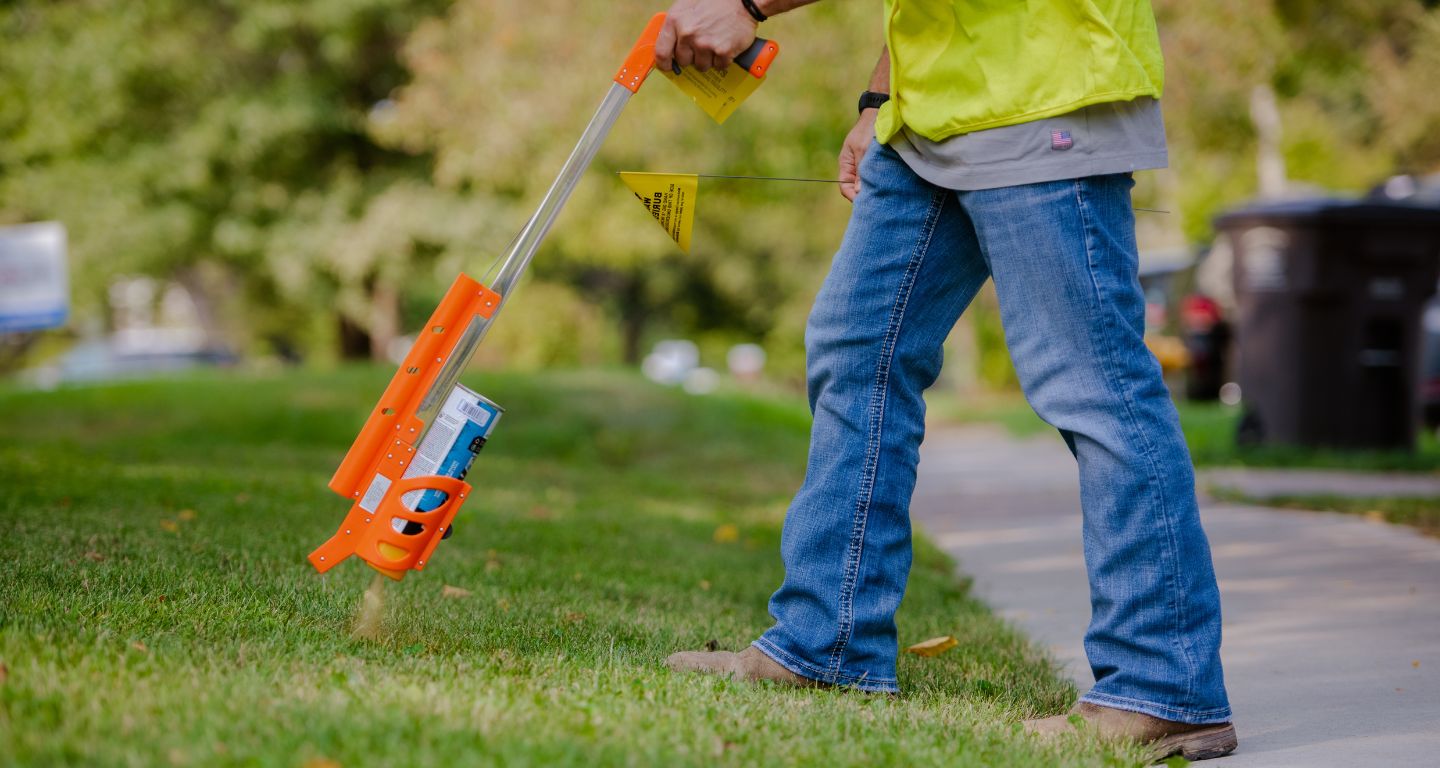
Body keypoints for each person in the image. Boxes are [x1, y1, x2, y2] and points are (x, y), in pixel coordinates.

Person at [656, 0, 1236, 761]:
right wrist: (879, 96)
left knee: (1094, 388)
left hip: (1043, 95)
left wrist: (746, 5)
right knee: (856, 352)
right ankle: (827, 646)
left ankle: (1164, 687)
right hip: (929, 118)